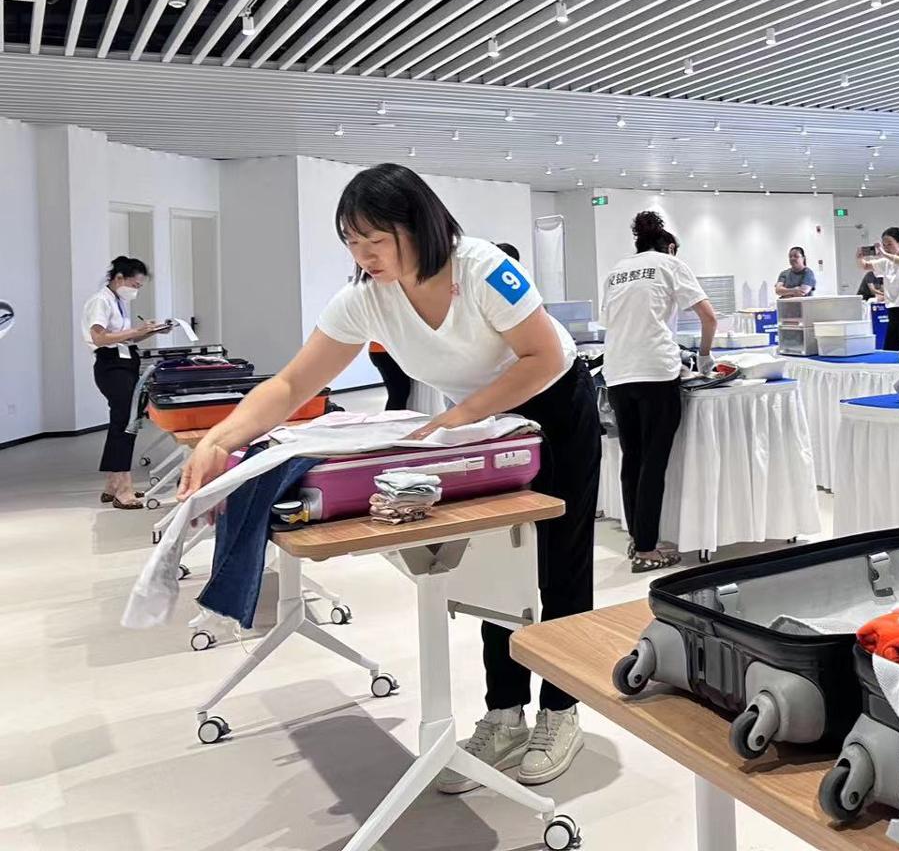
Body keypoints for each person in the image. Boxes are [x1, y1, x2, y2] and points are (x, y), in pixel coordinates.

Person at [176, 164, 601, 792]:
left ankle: (562, 711)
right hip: (486, 425)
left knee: (560, 564)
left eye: (376, 240)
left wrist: (461, 415)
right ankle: (505, 713)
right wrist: (219, 439)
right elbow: (292, 383)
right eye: (352, 242)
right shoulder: (367, 297)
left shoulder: (481, 268)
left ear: (418, 225)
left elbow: (544, 356)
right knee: (497, 565)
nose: (364, 256)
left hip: (554, 409)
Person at [600, 211, 717, 571]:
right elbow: (709, 317)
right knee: (654, 461)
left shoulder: (617, 271)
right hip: (655, 370)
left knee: (632, 458)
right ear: (669, 247)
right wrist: (705, 355)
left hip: (618, 372)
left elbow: (610, 321)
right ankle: (648, 550)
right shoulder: (669, 264)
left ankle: (640, 540)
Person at [83, 256, 168, 508]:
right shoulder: (100, 301)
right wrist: (135, 331)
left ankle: (113, 484)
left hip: (125, 362)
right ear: (119, 278)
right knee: (125, 424)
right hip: (111, 366)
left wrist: (150, 331)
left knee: (124, 422)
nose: (135, 290)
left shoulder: (118, 302)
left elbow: (124, 339)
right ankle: (124, 489)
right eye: (134, 285)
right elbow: (99, 338)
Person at [859, 227, 899, 351]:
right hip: (893, 310)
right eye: (884, 245)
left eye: (889, 244)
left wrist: (885, 255)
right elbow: (865, 266)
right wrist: (859, 257)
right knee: (889, 349)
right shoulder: (886, 262)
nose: (886, 247)